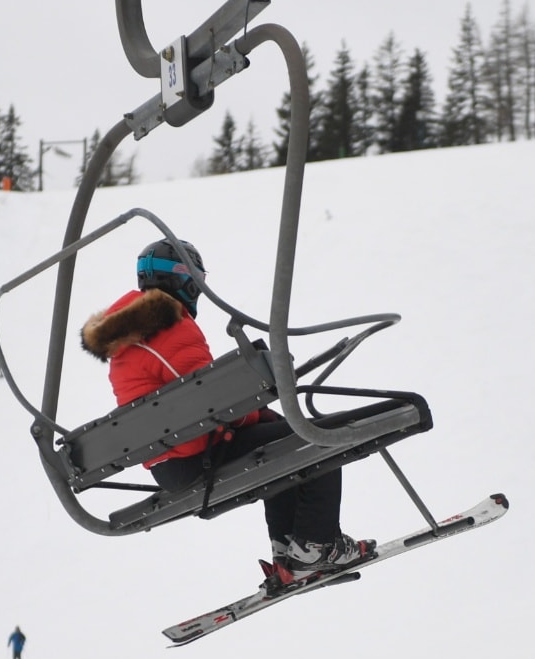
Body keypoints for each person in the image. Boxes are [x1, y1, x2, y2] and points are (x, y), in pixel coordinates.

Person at [80, 239, 371, 595]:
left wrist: (257, 416)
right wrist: (254, 413)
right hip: (197, 456)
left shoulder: (126, 338)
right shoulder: (169, 325)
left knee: (279, 439)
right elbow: (215, 404)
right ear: (187, 280)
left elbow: (192, 404)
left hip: (170, 459)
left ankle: (290, 551)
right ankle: (317, 547)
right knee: (319, 433)